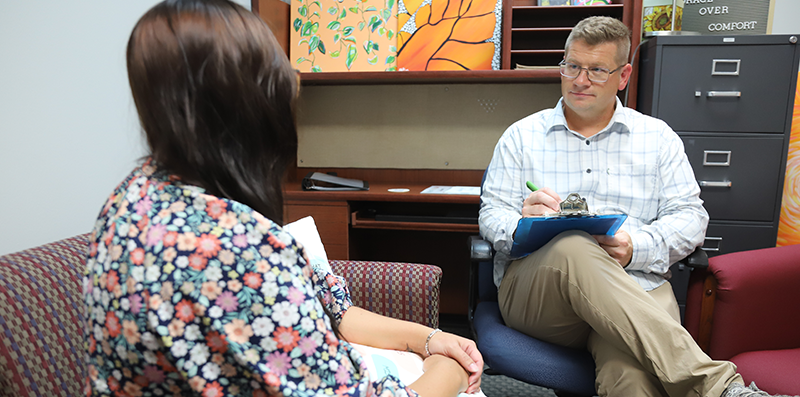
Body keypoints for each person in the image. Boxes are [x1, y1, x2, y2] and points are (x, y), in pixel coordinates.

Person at [82, 1, 483, 396]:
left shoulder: (127, 201)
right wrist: (448, 369)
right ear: (257, 111)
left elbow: (333, 307)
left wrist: (430, 339)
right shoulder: (237, 248)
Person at [479, 16, 794, 397]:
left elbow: (691, 218)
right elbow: (491, 213)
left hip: (635, 285)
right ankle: (720, 388)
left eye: (597, 70)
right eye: (572, 66)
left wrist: (634, 247)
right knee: (574, 245)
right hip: (541, 295)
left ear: (623, 75)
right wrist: (519, 222)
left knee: (631, 371)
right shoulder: (521, 136)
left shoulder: (657, 138)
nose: (580, 80)